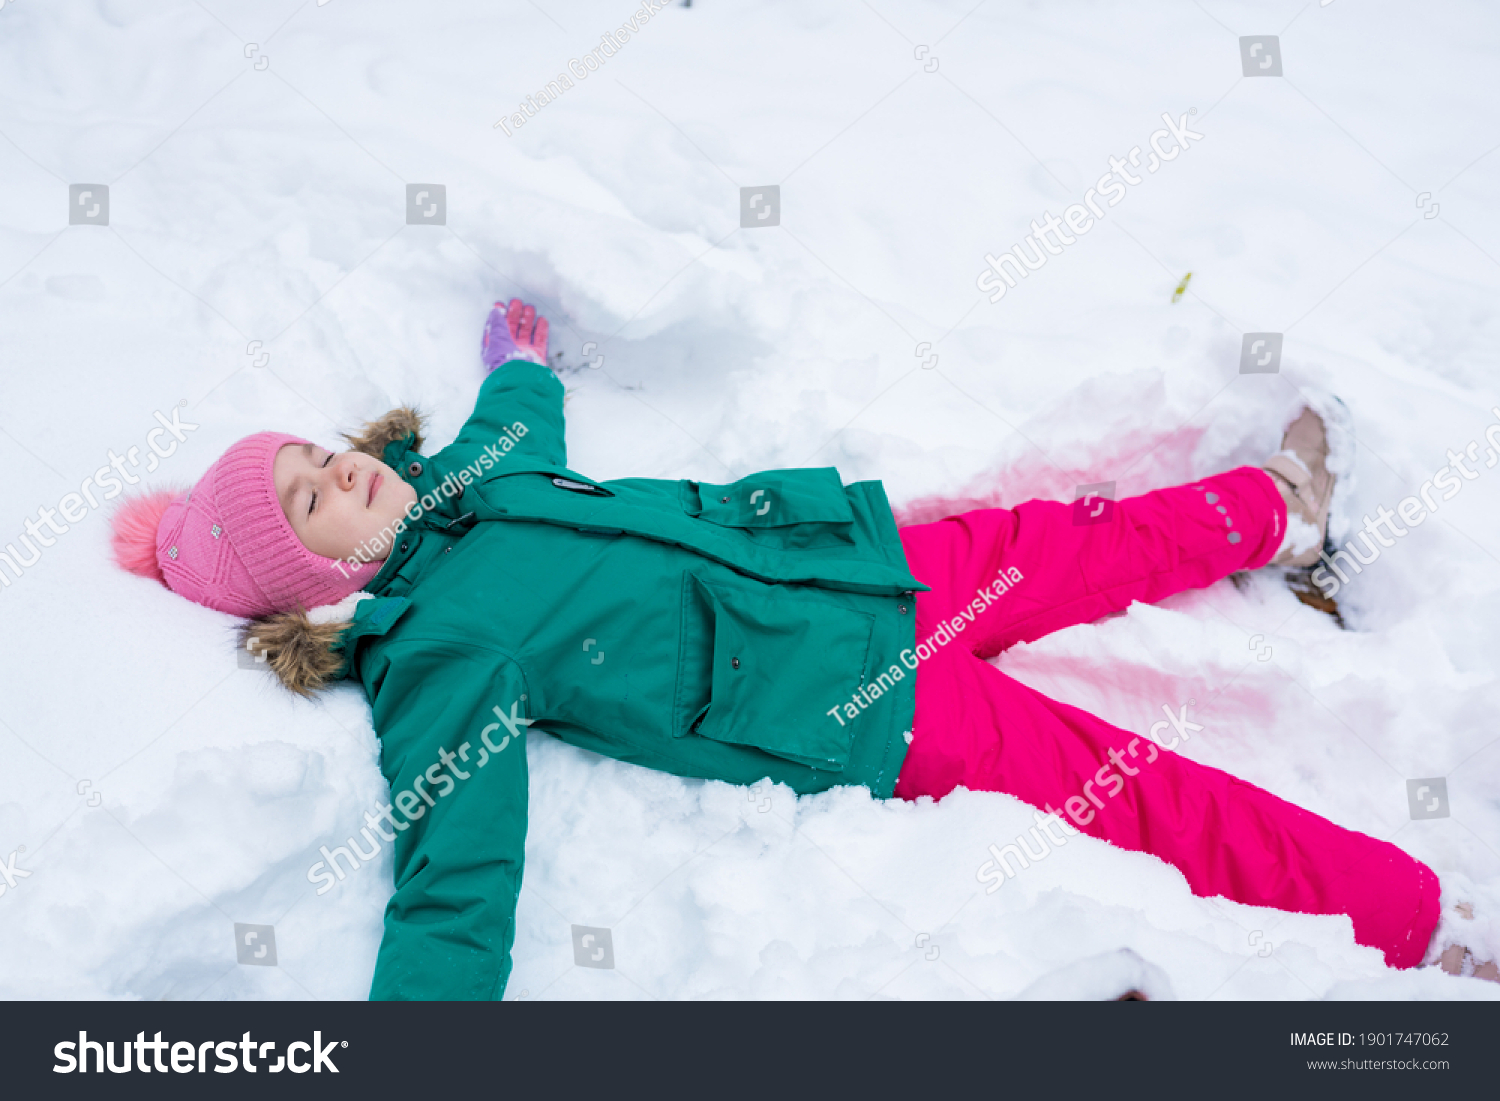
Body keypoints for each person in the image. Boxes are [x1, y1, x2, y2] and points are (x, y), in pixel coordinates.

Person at [110, 299, 1475, 998]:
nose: (329, 475)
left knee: (1073, 539)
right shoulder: (438, 648)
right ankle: (1419, 916)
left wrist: (516, 356)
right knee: (1135, 784)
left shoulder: (467, 475)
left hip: (850, 562)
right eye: (303, 505)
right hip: (861, 704)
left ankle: (1273, 516)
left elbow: (524, 419)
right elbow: (455, 871)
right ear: (317, 579)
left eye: (310, 455)